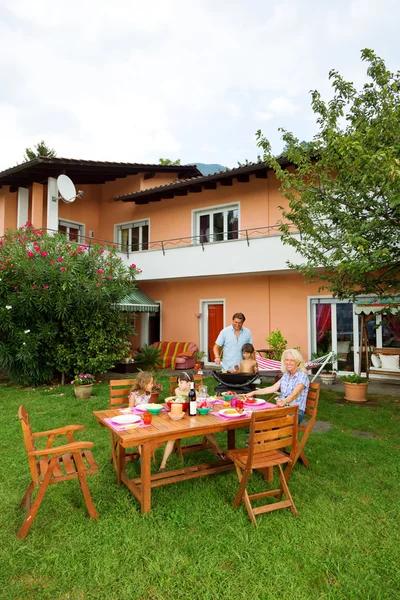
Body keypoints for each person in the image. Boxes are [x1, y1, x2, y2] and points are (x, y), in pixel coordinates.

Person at [159, 372, 225, 471]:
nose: (178, 385)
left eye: (181, 382)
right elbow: (182, 402)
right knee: (172, 437)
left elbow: (199, 403)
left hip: (194, 417)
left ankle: (219, 450)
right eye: (178, 382)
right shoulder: (178, 390)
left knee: (208, 431)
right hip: (180, 417)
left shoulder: (196, 393)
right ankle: (163, 464)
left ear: (189, 383)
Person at [245, 348, 309, 423]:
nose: (288, 363)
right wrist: (254, 392)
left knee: (266, 421)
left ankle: (262, 432)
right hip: (283, 409)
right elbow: (272, 388)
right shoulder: (286, 375)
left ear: (298, 362)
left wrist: (284, 402)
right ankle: (260, 432)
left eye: (292, 360)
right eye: (287, 360)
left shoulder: (302, 376)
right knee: (260, 416)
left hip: (295, 412)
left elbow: (295, 394)